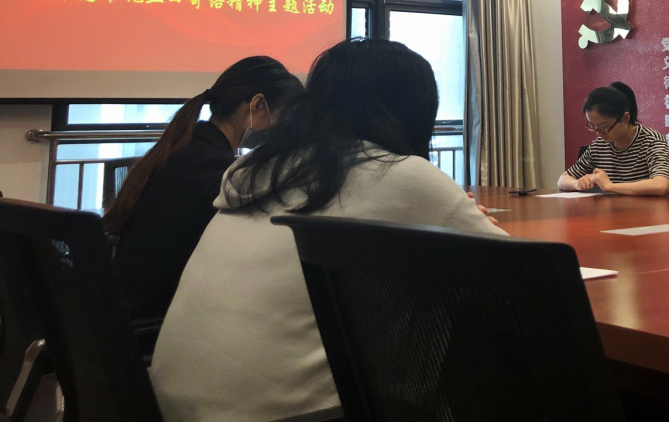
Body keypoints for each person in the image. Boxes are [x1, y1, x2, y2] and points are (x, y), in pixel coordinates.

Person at [149, 39, 504, 422]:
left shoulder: (258, 169)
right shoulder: (398, 173)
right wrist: (456, 218)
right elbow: (516, 278)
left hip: (164, 404)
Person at [106, 55, 303, 320]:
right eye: (281, 118)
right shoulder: (215, 171)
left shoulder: (184, 151)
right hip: (158, 320)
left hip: (128, 313)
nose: (280, 132)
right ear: (257, 105)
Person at [558, 81, 669, 197]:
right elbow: (563, 180)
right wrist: (577, 184)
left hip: (667, 211)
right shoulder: (599, 146)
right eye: (593, 126)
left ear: (625, 118)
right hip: (626, 210)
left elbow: (660, 186)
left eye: (604, 127)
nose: (599, 134)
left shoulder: (651, 141)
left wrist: (610, 186)